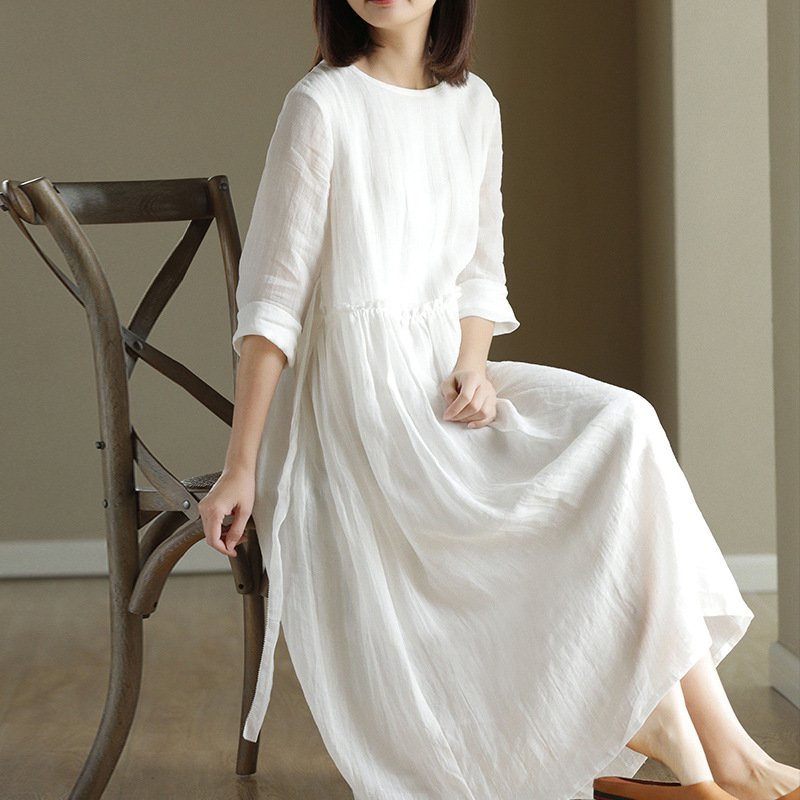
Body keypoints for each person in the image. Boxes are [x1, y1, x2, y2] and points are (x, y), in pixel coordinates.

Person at [198, 2, 800, 800]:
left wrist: (474, 367)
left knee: (624, 424)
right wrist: (241, 465)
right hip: (355, 409)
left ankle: (717, 750)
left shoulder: (475, 106)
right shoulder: (321, 106)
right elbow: (273, 305)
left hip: (441, 380)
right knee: (564, 496)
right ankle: (706, 757)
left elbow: (481, 273)